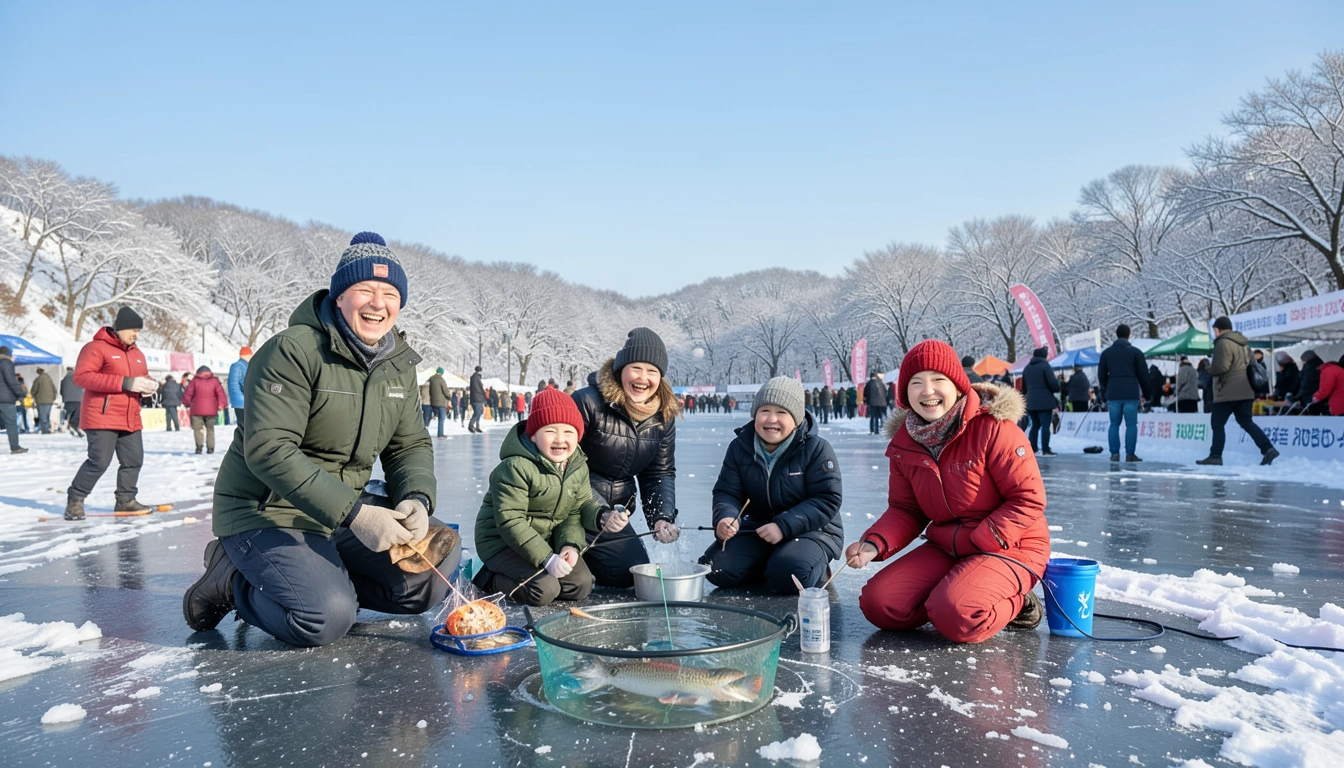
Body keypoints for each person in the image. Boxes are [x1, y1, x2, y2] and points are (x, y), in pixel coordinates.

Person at [182, 231, 458, 646]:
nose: (378, 303)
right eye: (365, 290)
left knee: (428, 578)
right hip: (268, 511)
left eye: (390, 294)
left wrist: (416, 497)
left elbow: (409, 445)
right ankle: (233, 581)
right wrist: (357, 515)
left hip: (339, 512)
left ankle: (322, 579)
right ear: (340, 295)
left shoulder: (397, 365)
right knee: (324, 618)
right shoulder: (292, 351)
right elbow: (270, 450)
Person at [847, 340, 1047, 643]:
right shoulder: (905, 443)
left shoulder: (993, 427)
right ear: (905, 393)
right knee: (881, 605)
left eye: (938, 380)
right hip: (948, 547)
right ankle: (954, 593)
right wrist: (874, 543)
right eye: (916, 383)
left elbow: (1027, 499)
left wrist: (981, 540)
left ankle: (1016, 602)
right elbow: (905, 509)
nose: (927, 391)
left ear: (957, 385)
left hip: (1011, 545)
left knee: (958, 616)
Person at [699, 377, 843, 594]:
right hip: (759, 529)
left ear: (796, 419)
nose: (771, 419)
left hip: (812, 531)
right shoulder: (740, 447)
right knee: (716, 569)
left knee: (791, 575)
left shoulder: (816, 449)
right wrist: (726, 517)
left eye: (782, 412)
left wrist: (783, 526)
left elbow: (827, 499)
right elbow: (727, 492)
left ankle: (809, 563)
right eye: (764, 410)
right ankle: (771, 561)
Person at [572, 328, 681, 588]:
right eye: (636, 368)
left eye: (652, 371)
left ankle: (585, 557)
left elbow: (659, 473)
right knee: (571, 582)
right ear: (621, 369)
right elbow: (566, 467)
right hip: (572, 506)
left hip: (614, 515)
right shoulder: (587, 402)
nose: (643, 378)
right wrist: (599, 511)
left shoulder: (663, 417)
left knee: (627, 573)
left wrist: (661, 517)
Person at [471, 388, 597, 606]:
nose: (560, 439)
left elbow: (574, 512)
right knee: (544, 591)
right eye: (550, 431)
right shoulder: (515, 467)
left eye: (568, 432)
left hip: (543, 539)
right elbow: (511, 521)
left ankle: (537, 569)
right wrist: (546, 558)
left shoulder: (577, 466)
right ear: (533, 435)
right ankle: (490, 579)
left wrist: (569, 546)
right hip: (501, 542)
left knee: (580, 585)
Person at [65, 307, 158, 519]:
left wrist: (148, 386)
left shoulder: (137, 354)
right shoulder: (95, 348)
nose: (136, 335)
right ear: (120, 328)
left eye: (138, 331)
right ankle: (75, 499)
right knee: (99, 462)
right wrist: (125, 383)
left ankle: (126, 500)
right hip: (102, 416)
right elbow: (82, 377)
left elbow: (141, 378)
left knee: (133, 460)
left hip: (130, 416)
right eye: (133, 330)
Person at [1196, 317, 1279, 466]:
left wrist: (1207, 368)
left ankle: (1215, 456)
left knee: (1217, 424)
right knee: (1247, 422)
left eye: (1214, 330)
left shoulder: (1222, 343)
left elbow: (1221, 367)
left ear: (1218, 329)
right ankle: (1268, 448)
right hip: (1245, 391)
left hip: (1227, 392)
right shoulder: (1244, 344)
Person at [1097, 323, 1150, 462]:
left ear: (1116, 335)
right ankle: (1130, 454)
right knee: (1131, 424)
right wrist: (1147, 393)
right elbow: (1144, 375)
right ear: (1129, 335)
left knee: (1114, 424)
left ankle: (1114, 453)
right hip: (1131, 393)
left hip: (1113, 393)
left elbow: (1101, 376)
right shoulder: (1136, 353)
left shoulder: (1106, 353)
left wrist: (1106, 389)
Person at [1021, 346, 1059, 456]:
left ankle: (1032, 447)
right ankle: (1045, 448)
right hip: (1044, 401)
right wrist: (1057, 388)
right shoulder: (1045, 366)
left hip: (1031, 401)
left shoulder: (1027, 368)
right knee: (1045, 426)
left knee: (1035, 425)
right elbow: (1052, 383)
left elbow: (1024, 387)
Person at [183, 365, 228, 454]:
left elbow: (188, 394)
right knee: (210, 429)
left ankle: (199, 447)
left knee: (198, 429)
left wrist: (187, 403)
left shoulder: (194, 381)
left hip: (197, 410)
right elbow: (220, 393)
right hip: (211, 409)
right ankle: (210, 448)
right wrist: (221, 404)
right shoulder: (214, 381)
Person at [0, 346, 26, 454]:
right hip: (6, 399)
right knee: (11, 424)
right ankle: (15, 447)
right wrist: (21, 393)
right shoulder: (6, 363)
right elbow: (11, 381)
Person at [227, 347, 252, 430]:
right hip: (242, 401)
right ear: (247, 355)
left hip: (239, 401)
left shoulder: (239, 366)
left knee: (243, 427)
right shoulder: (240, 366)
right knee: (245, 427)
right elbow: (244, 383)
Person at [28, 367, 56, 434]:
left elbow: (34, 390)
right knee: (47, 415)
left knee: (42, 416)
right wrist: (53, 398)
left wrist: (31, 396)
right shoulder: (49, 379)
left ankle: (44, 430)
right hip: (49, 401)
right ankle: (47, 429)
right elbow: (54, 390)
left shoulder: (38, 379)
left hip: (41, 401)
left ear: (39, 372)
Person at [428, 367, 451, 438]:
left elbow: (430, 391)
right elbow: (445, 391)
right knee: (441, 419)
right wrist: (449, 397)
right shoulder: (441, 380)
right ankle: (440, 434)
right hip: (441, 402)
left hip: (433, 402)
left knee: (433, 417)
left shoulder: (431, 379)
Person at [60, 368, 83, 437]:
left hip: (67, 400)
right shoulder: (79, 377)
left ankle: (68, 426)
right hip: (78, 399)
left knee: (68, 414)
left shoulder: (64, 379)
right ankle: (75, 427)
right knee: (76, 415)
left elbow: (61, 390)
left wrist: (64, 397)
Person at [468, 366, 486, 432]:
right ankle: (471, 425)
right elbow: (479, 389)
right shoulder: (475, 378)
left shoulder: (475, 378)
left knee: (479, 412)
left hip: (477, 398)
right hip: (477, 398)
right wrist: (484, 395)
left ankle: (477, 426)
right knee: (478, 412)